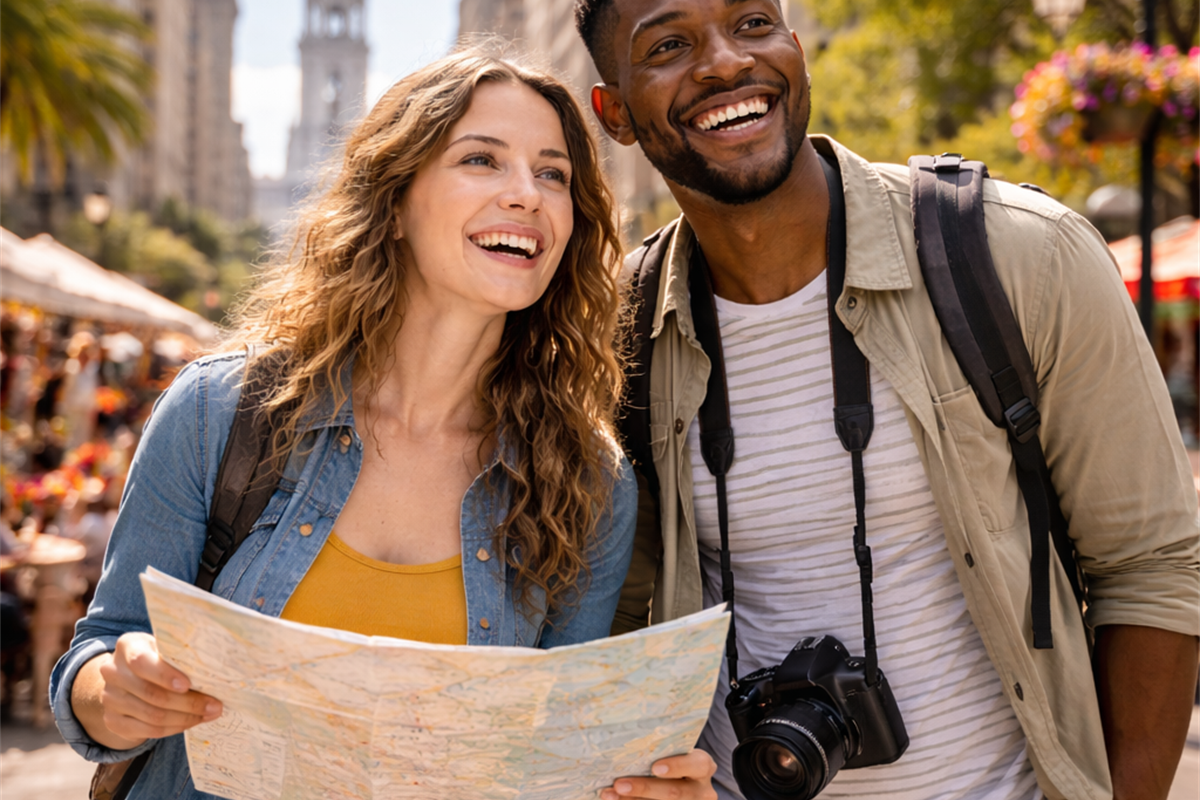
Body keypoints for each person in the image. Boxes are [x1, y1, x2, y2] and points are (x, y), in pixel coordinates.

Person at [573, 2, 1200, 800]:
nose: (726, 62)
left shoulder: (1024, 254)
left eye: (754, 24)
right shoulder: (614, 332)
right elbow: (622, 623)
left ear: (798, 53)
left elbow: (1151, 568)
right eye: (669, 44)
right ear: (616, 114)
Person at [51, 50, 658, 799]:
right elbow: (98, 659)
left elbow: (559, 759)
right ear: (396, 204)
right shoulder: (218, 412)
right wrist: (114, 692)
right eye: (481, 159)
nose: (526, 194)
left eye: (553, 173)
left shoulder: (589, 480)